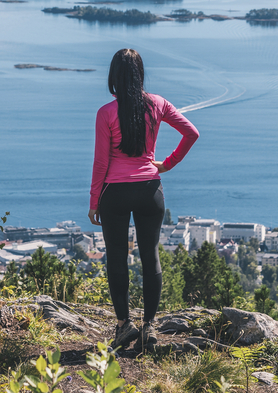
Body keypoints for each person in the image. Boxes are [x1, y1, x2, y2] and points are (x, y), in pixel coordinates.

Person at [89, 48, 199, 352]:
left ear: (114, 76)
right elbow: (191, 133)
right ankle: (149, 327)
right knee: (150, 257)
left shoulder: (106, 113)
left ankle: (124, 326)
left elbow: (101, 163)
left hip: (115, 192)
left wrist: (94, 199)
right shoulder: (158, 104)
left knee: (116, 258)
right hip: (151, 190)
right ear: (140, 74)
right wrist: (167, 163)